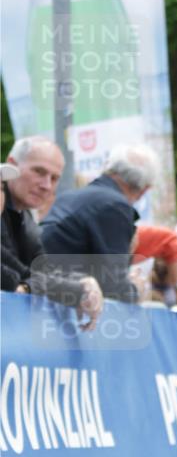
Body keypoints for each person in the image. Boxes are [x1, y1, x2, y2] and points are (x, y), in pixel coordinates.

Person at [1, 138, 102, 326]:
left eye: (54, 178)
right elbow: (14, 275)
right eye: (39, 171)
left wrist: (84, 282)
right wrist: (76, 289)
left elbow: (42, 270)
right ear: (12, 164)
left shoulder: (25, 218)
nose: (46, 185)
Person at [41, 143, 159, 302]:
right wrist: (136, 288)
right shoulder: (115, 206)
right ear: (144, 189)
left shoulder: (68, 197)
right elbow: (113, 288)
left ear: (108, 168)